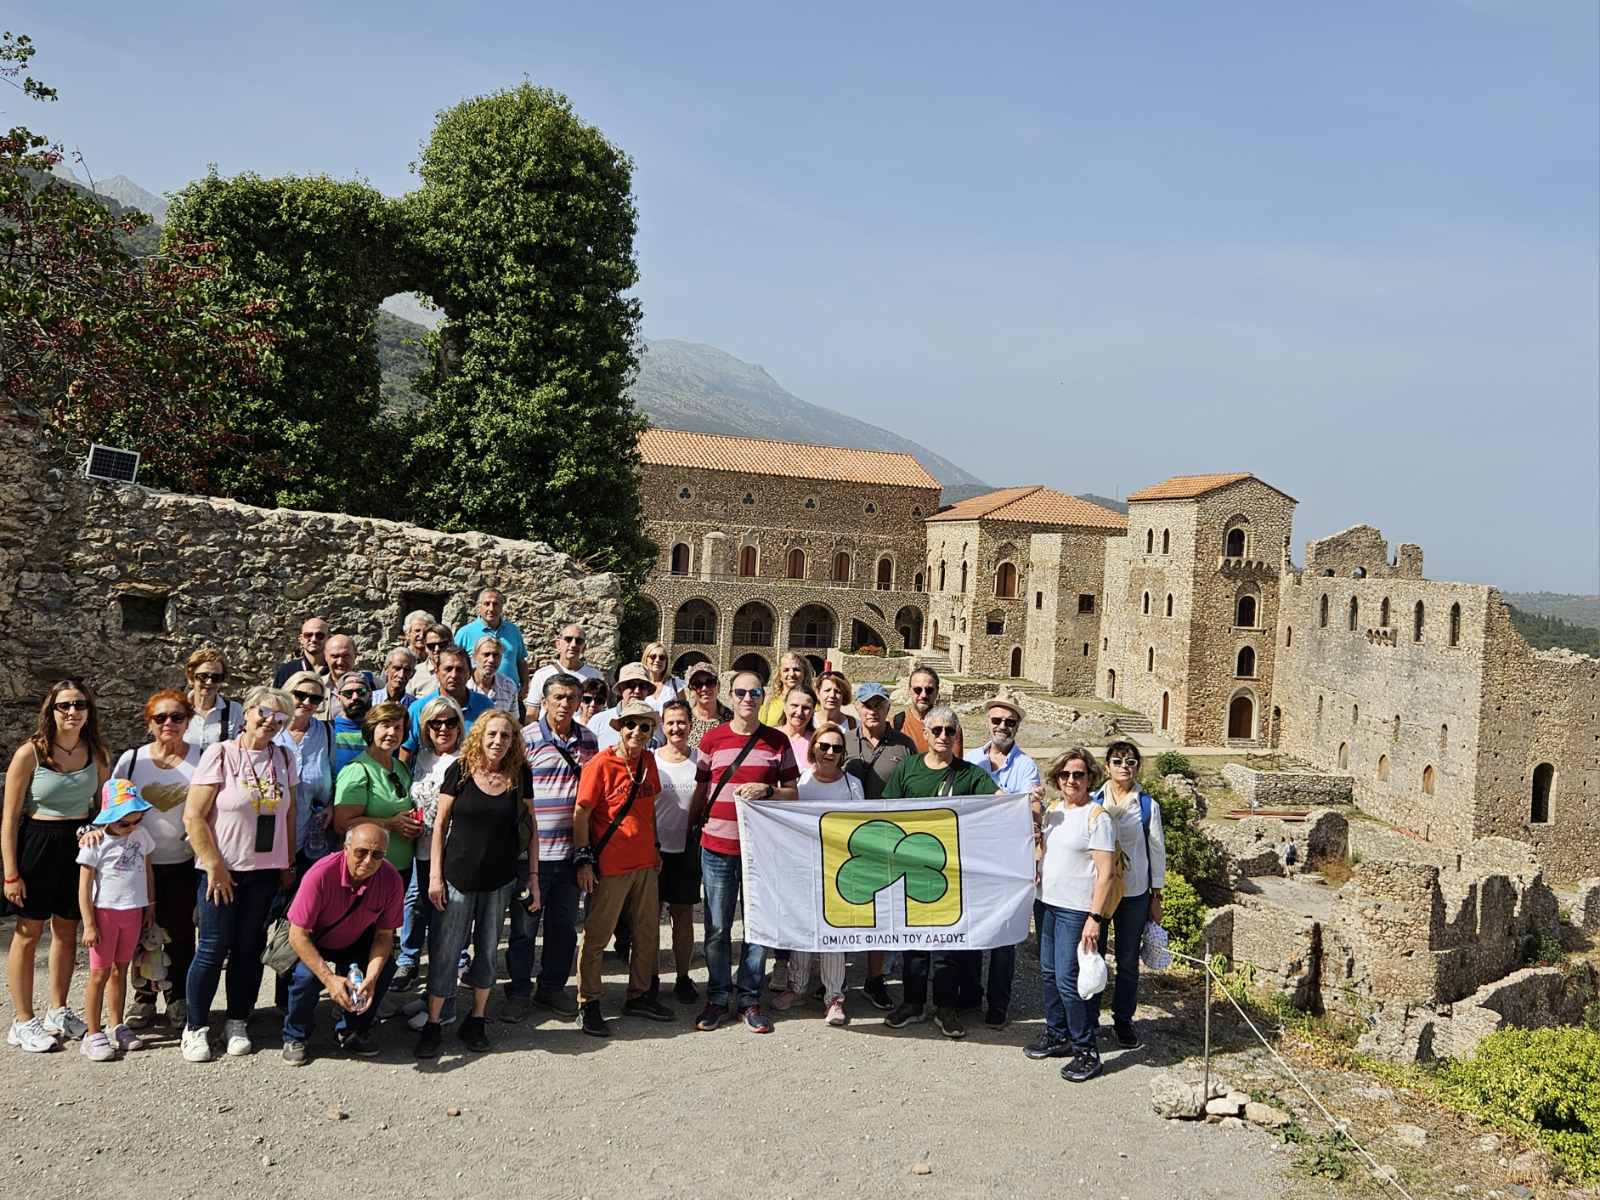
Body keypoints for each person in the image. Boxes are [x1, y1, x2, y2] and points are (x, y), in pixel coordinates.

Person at [180, 687, 297, 1062]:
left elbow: (289, 815)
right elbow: (194, 815)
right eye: (264, 713)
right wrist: (213, 864)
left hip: (264, 870)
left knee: (249, 948)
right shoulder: (221, 753)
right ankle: (195, 1027)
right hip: (222, 869)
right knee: (213, 948)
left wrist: (288, 863)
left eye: (280, 718)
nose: (270, 722)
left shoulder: (283, 757)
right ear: (246, 712)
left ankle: (237, 1020)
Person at [416, 710, 536, 1059]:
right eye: (492, 734)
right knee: (446, 951)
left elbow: (532, 830)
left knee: (486, 950)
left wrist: (533, 879)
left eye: (506, 736)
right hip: (457, 878)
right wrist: (435, 876)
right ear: (480, 736)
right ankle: (434, 1023)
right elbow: (439, 825)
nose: (498, 741)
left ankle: (477, 1019)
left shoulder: (519, 775)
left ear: (514, 741)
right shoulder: (461, 771)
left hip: (499, 881)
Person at [690, 669, 798, 1034]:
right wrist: (693, 830)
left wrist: (768, 791)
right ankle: (719, 997)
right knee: (718, 928)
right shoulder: (713, 740)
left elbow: (792, 793)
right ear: (730, 696)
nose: (747, 699)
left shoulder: (776, 741)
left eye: (755, 693)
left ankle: (750, 997)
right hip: (716, 846)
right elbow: (701, 791)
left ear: (764, 697)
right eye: (740, 692)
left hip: (759, 850)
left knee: (756, 927)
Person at [3, 681, 110, 1051]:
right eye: (64, 706)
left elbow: (105, 808)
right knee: (29, 934)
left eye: (80, 704)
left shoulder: (96, 753)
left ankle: (58, 1010)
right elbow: (9, 818)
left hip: (76, 847)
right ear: (50, 711)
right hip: (36, 843)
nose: (72, 711)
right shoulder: (30, 754)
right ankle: (21, 1020)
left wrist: (96, 833)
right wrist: (10, 873)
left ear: (88, 711)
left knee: (66, 931)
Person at [882, 705, 996, 1039]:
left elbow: (1000, 802)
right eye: (937, 731)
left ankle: (946, 1007)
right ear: (927, 735)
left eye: (950, 731)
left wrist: (1027, 802)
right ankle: (913, 1003)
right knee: (914, 943)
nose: (944, 736)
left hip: (951, 875)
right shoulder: (909, 769)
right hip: (912, 869)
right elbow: (887, 811)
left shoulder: (970, 775)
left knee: (948, 946)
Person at [572, 700, 674, 1036]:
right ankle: (589, 1002)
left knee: (646, 933)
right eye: (631, 724)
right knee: (598, 936)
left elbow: (649, 811)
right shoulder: (600, 765)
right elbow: (582, 814)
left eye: (645, 727)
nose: (637, 732)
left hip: (644, 862)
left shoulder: (649, 762)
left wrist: (656, 848)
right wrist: (584, 859)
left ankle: (639, 995)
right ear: (620, 727)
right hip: (610, 865)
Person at [506, 673, 596, 1021]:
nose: (565, 704)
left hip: (571, 852)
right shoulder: (525, 739)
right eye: (558, 697)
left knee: (563, 927)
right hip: (534, 856)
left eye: (572, 698)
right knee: (525, 927)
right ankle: (518, 992)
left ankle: (552, 988)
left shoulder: (588, 740)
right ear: (544, 701)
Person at [111, 690, 203, 1030]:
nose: (169, 723)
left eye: (177, 717)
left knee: (180, 933)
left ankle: (178, 997)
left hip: (183, 862)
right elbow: (112, 807)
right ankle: (144, 998)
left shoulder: (202, 758)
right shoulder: (132, 761)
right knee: (138, 931)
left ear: (188, 721)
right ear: (149, 722)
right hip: (136, 864)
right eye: (160, 717)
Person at [280, 820, 404, 1064]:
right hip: (316, 937)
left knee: (383, 969)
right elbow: (298, 934)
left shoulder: (390, 879)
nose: (368, 861)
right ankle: (295, 1035)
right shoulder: (320, 874)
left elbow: (384, 936)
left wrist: (372, 977)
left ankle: (353, 1029)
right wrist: (329, 979)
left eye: (377, 854)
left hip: (358, 937)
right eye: (361, 852)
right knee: (306, 978)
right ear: (346, 849)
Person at [1031, 747, 1118, 1083]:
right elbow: (1044, 849)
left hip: (1075, 909)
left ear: (1089, 778)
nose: (1071, 780)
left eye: (1078, 774)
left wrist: (1094, 918)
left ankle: (1086, 1049)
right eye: (1065, 774)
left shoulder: (1097, 817)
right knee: (1049, 973)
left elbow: (1106, 873)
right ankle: (1057, 1035)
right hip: (1047, 903)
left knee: (1069, 982)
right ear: (1057, 778)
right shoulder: (1055, 811)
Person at [959, 696, 1044, 1029]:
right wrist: (1012, 802)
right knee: (970, 927)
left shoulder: (1026, 766)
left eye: (1009, 722)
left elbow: (1030, 811)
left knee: (1005, 938)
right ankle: (969, 994)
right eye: (997, 721)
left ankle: (998, 1004)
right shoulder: (969, 760)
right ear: (987, 722)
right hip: (974, 857)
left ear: (1017, 727)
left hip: (1009, 862)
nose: (1002, 727)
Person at [776, 724, 861, 1026]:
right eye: (824, 746)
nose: (829, 753)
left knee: (834, 933)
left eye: (837, 748)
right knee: (803, 927)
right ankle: (796, 986)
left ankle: (834, 996)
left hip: (839, 868)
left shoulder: (853, 786)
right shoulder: (800, 782)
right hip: (804, 864)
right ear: (813, 748)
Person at [837, 681, 915, 1011]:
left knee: (881, 913)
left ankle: (874, 978)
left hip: (887, 839)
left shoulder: (904, 745)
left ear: (888, 708)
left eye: (879, 704)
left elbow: (913, 786)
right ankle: (835, 977)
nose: (873, 710)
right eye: (867, 704)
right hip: (845, 838)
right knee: (843, 907)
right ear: (857, 707)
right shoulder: (843, 742)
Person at [1091, 739, 1166, 1050]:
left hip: (1134, 891)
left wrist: (1156, 896)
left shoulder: (1147, 806)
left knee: (1127, 961)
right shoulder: (1094, 800)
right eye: (1118, 761)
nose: (1124, 767)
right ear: (1107, 766)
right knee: (1093, 956)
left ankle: (1123, 1021)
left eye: (1131, 762)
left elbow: (1157, 850)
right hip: (1100, 889)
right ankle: (1089, 1016)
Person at [75, 780, 156, 1060]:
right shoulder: (96, 843)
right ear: (110, 818)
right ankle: (93, 1033)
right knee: (99, 974)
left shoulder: (141, 835)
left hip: (133, 912)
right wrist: (88, 923)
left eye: (137, 820)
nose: (132, 826)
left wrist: (150, 905)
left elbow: (147, 871)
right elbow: (84, 886)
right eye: (125, 823)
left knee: (121, 970)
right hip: (104, 914)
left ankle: (115, 1024)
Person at [393, 693, 464, 995]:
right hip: (419, 850)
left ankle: (440, 989)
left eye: (449, 722)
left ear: (459, 726)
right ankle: (414, 966)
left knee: (443, 922)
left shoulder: (464, 761)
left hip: (450, 854)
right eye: (435, 723)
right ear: (426, 728)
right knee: (417, 908)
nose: (443, 729)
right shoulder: (421, 759)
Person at [651, 699, 701, 1004]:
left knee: (683, 917)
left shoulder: (699, 761)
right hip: (654, 848)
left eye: (681, 722)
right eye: (670, 722)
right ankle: (651, 976)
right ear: (662, 725)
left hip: (686, 849)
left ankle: (683, 976)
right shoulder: (652, 760)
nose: (675, 728)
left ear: (690, 725)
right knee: (651, 918)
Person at [332, 703, 418, 878]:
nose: (392, 733)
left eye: (398, 728)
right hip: (369, 869)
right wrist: (390, 823)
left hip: (402, 868)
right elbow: (342, 824)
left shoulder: (401, 767)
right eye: (385, 726)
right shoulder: (357, 770)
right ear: (372, 728)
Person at [276, 671, 336, 869]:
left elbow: (332, 775)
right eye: (300, 695)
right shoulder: (271, 730)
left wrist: (331, 806)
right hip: (270, 836)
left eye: (315, 698)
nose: (307, 702)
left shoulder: (326, 733)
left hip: (311, 837)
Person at [403, 646, 492, 762]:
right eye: (448, 669)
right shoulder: (419, 709)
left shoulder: (485, 707)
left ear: (469, 674)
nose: (454, 675)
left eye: (460, 670)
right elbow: (406, 752)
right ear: (437, 672)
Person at [454, 587, 528, 697]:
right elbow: (454, 661)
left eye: (495, 604)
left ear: (502, 607)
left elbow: (520, 661)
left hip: (510, 695)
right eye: (487, 604)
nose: (491, 608)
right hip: (475, 694)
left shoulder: (513, 631)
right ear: (479, 607)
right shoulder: (465, 633)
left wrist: (525, 686)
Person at [526, 624, 602, 711]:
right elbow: (532, 712)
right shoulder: (542, 675)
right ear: (558, 644)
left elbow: (600, 710)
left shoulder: (595, 676)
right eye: (568, 639)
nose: (573, 644)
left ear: (584, 647)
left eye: (579, 641)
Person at [589, 663, 663, 751]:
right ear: (620, 689)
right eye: (631, 685)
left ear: (647, 691)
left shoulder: (656, 724)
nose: (637, 691)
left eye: (643, 686)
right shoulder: (599, 721)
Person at [893, 665, 962, 755]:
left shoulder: (950, 727)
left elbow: (956, 765)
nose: (923, 695)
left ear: (937, 691)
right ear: (909, 690)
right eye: (918, 690)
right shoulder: (896, 723)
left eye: (929, 690)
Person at [183, 648, 243, 750]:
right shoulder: (178, 709)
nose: (209, 682)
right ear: (191, 678)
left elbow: (241, 749)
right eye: (203, 676)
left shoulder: (234, 710)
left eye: (216, 678)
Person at [330, 672, 372, 777]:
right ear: (339, 698)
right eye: (348, 693)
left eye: (361, 692)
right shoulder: (327, 730)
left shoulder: (378, 730)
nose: (355, 697)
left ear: (370, 695)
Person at [467, 635, 521, 715]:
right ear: (475, 656)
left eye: (496, 655)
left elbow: (513, 722)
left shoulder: (508, 686)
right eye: (486, 654)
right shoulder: (463, 685)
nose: (491, 660)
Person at [272, 617, 332, 688]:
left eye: (320, 635)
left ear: (328, 638)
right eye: (308, 635)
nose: (313, 639)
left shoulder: (335, 669)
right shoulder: (286, 671)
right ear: (301, 639)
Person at [683, 662, 730, 751]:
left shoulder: (732, 720)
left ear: (718, 686)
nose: (704, 688)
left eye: (710, 682)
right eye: (697, 684)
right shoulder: (684, 719)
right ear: (691, 690)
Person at [325, 635, 373, 719]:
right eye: (335, 656)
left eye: (346, 656)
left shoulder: (374, 684)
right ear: (325, 657)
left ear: (355, 655)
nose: (340, 662)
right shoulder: (316, 687)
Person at [758, 653, 813, 726]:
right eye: (786, 670)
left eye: (796, 670)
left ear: (804, 674)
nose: (791, 674)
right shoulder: (768, 702)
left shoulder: (813, 703)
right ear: (780, 675)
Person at [408, 622, 453, 700]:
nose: (437, 649)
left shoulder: (461, 670)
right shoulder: (415, 673)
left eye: (442, 645)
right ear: (425, 647)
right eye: (431, 646)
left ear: (451, 643)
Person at [778, 686, 817, 772]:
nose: (799, 712)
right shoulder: (769, 736)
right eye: (794, 705)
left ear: (813, 711)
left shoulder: (818, 740)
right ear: (784, 706)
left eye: (806, 708)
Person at [640, 642, 683, 711]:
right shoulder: (638, 685)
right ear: (646, 659)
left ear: (666, 662)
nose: (657, 660)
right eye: (653, 656)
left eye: (662, 657)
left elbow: (685, 711)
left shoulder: (677, 685)